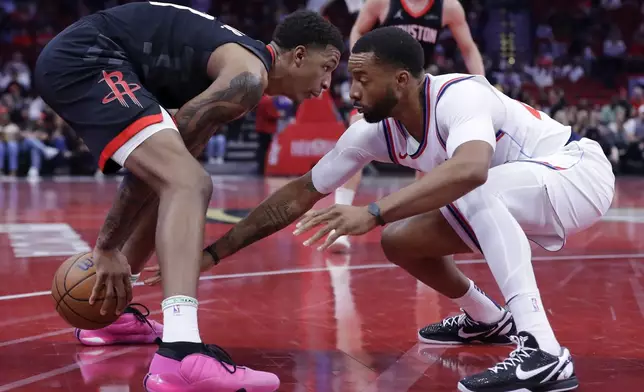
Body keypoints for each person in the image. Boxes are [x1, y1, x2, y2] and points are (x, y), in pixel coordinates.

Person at [147, 27, 614, 391]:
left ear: (402, 80)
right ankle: (489, 319)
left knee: (469, 182)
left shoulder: (460, 95)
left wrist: (372, 212)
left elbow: (470, 169)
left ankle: (544, 350)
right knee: (402, 240)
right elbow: (298, 194)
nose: (352, 91)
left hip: (576, 173)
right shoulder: (372, 131)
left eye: (363, 80)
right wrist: (211, 254)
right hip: (518, 188)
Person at [35, 2, 343, 391]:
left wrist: (116, 255)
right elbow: (158, 180)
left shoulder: (237, 71)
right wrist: (108, 246)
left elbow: (159, 182)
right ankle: (180, 354)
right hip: (88, 57)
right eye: (327, 67)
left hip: (100, 56)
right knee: (190, 183)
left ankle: (109, 315)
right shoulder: (246, 79)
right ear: (298, 56)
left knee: (180, 183)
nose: (328, 83)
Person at [330, 0, 485, 252]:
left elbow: (468, 48)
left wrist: (480, 83)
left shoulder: (449, 7)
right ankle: (340, 223)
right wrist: (361, 69)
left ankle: (418, 225)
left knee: (428, 153)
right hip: (380, 85)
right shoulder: (381, 2)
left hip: (415, 89)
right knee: (355, 137)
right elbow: (358, 30)